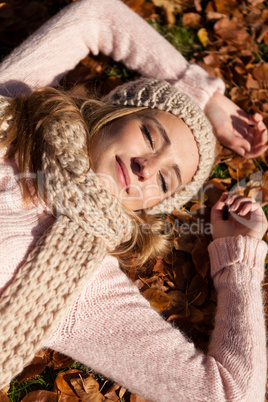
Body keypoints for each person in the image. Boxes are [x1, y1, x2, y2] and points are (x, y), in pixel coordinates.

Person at [0, 0, 267, 400]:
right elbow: (96, 13)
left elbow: (232, 395)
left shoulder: (85, 285)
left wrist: (238, 259)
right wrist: (206, 97)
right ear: (110, 115)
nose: (149, 165)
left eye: (165, 179)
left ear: (147, 208)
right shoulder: (18, 104)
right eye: (149, 134)